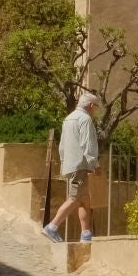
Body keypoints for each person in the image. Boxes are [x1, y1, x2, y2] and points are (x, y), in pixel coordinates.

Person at [41, 92, 101, 243]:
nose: (96, 111)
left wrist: (63, 162)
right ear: (91, 106)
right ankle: (52, 227)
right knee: (75, 198)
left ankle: (86, 235)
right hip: (80, 166)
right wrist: (95, 164)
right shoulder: (85, 119)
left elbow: (62, 145)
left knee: (84, 199)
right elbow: (88, 144)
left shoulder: (68, 119)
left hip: (70, 165)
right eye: (96, 107)